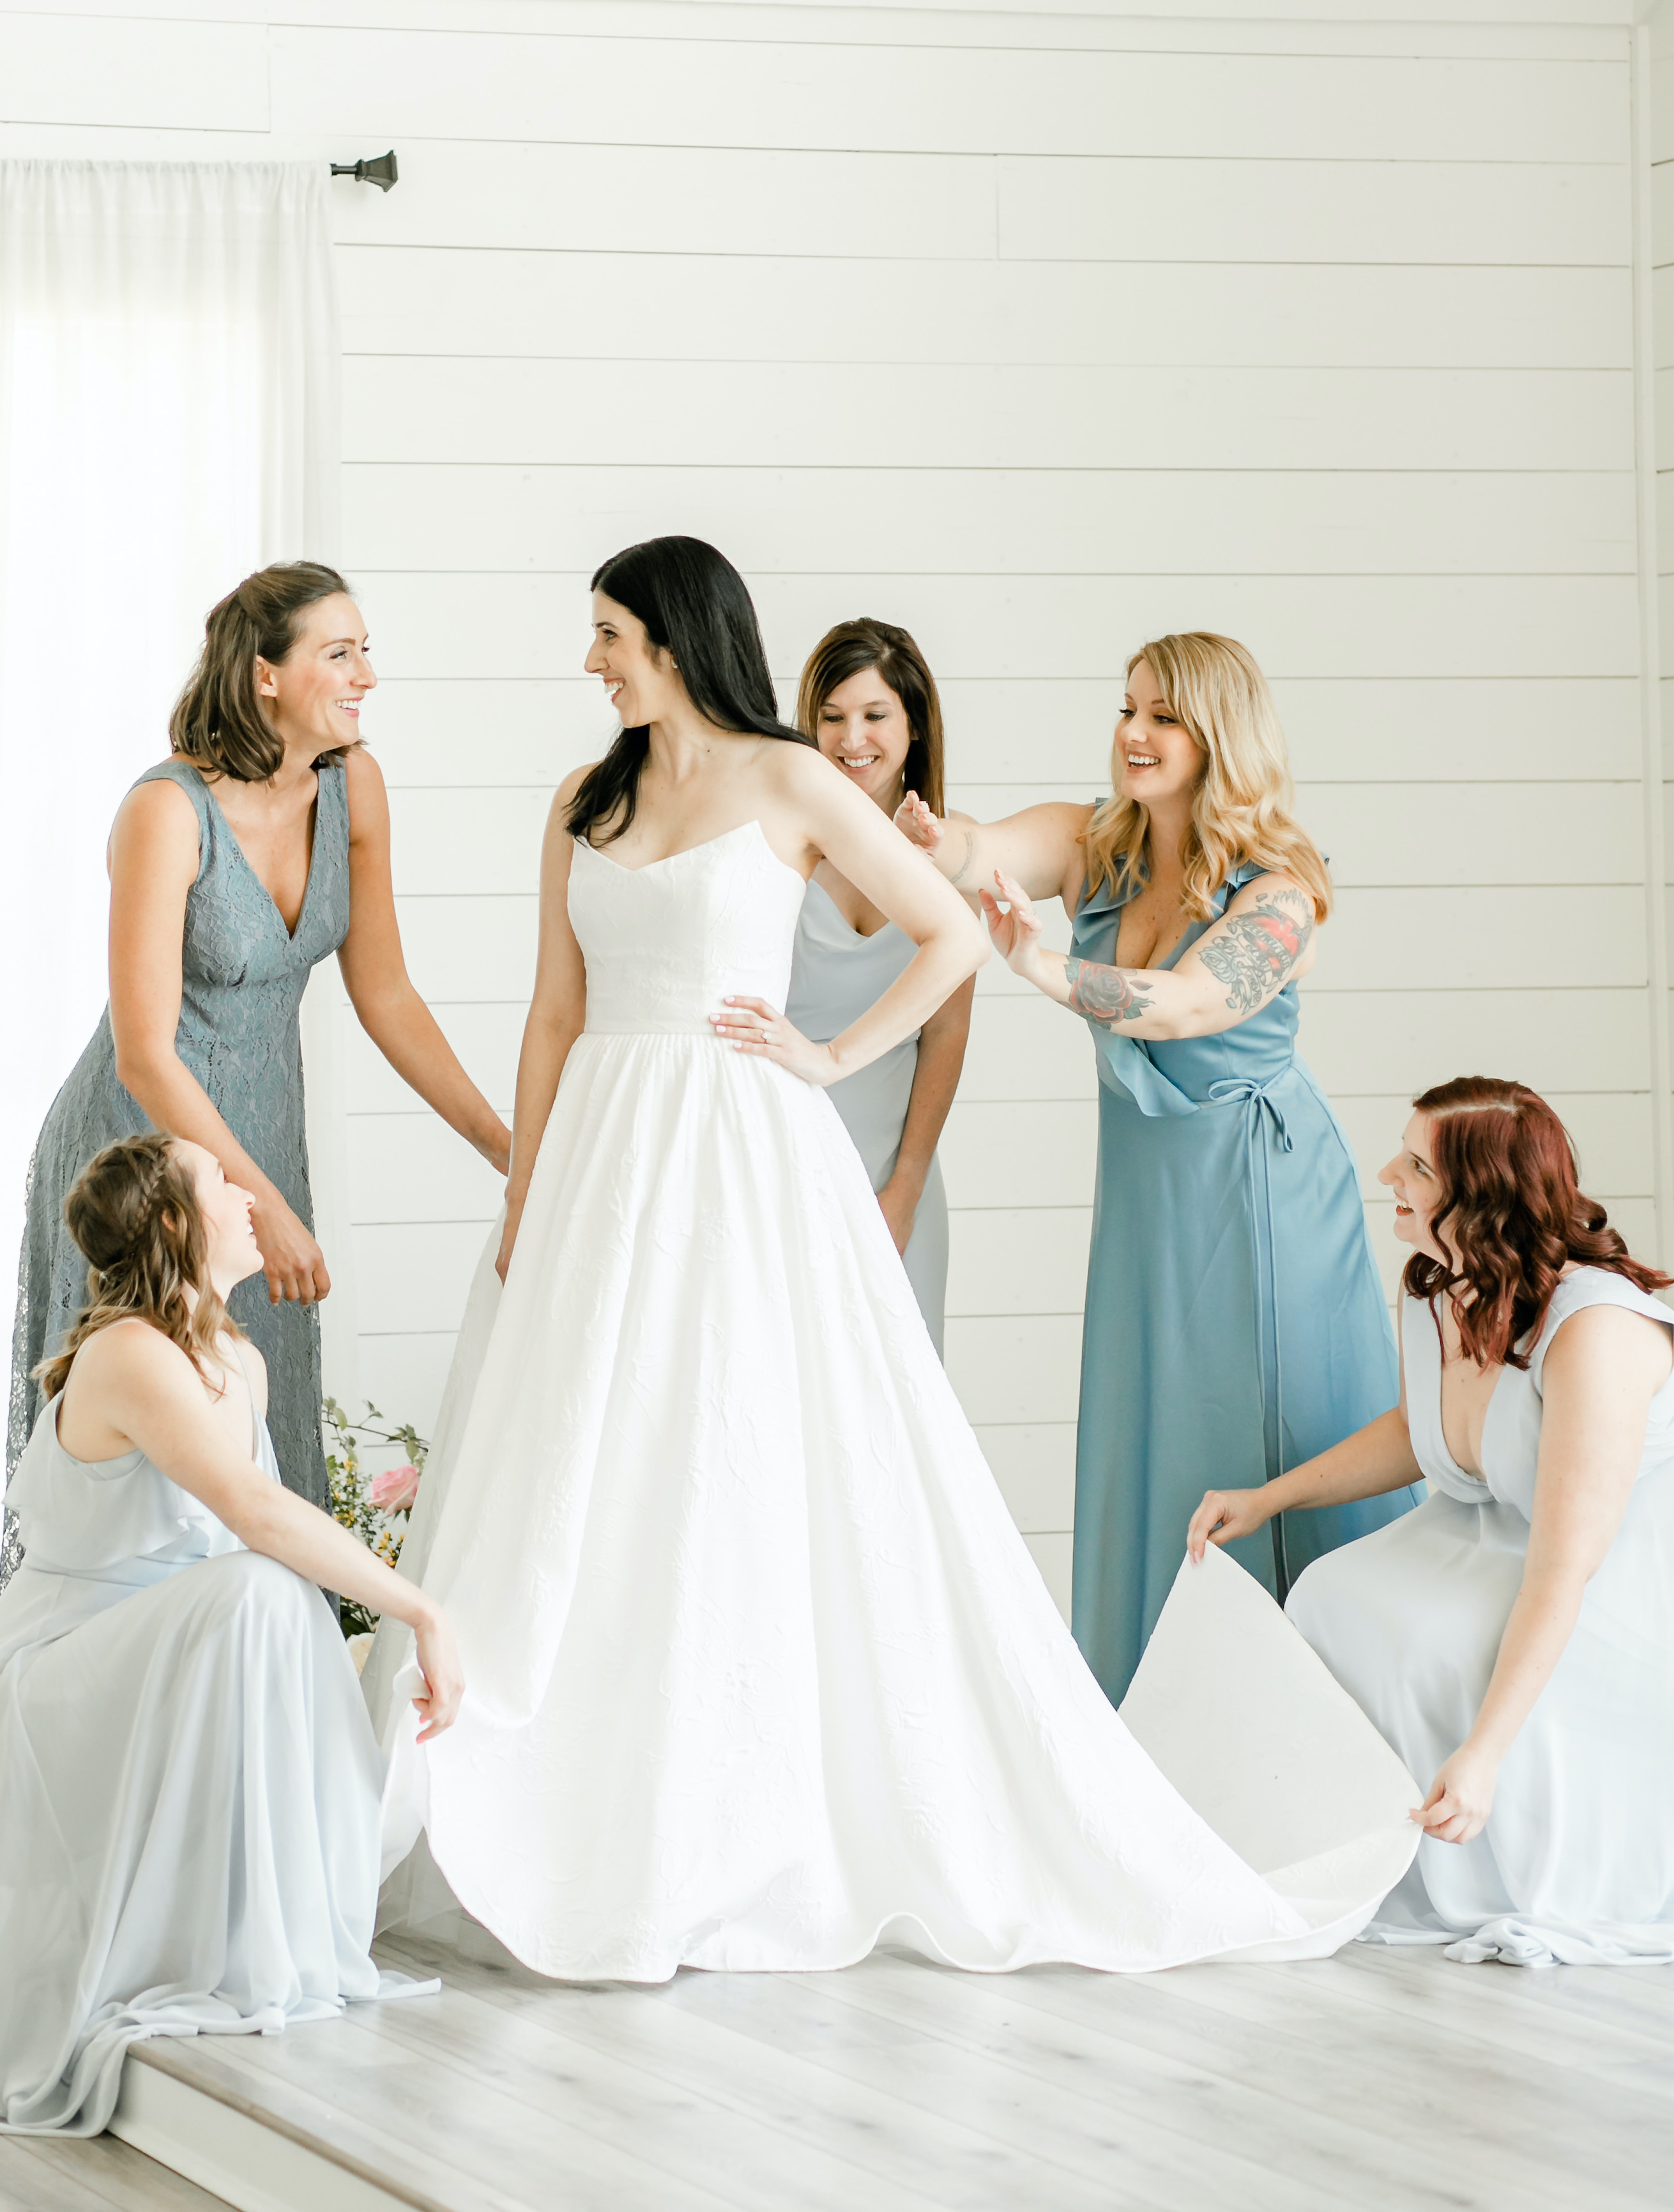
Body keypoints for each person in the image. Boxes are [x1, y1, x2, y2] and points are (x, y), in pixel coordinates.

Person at [370, 540, 1417, 1985]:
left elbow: (989, 954)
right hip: (610, 1147)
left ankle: (744, 1816)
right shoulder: (587, 797)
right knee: (579, 1457)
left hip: (854, 1154)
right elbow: (554, 1012)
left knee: (742, 1452)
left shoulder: (801, 786)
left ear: (672, 637)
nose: (593, 658)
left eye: (608, 631)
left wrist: (831, 1055)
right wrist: (525, 1185)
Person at [0, 1133, 462, 2133]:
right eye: (219, 1178)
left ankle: (260, 1931)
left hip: (154, 1651)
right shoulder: (131, 1352)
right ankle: (244, 1944)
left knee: (268, 1595)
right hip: (50, 1674)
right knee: (259, 1587)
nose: (245, 1187)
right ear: (175, 1221)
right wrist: (423, 1608)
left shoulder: (240, 1362)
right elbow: (255, 1515)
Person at [896, 633, 1411, 1703]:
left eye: (1162, 716)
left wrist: (1042, 965)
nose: (1133, 733)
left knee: (1262, 1427)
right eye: (1127, 707)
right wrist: (922, 826)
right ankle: (1164, 1731)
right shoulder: (1100, 844)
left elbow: (1190, 1004)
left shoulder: (1283, 887)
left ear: (1217, 734)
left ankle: (1310, 1729)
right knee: (1156, 1436)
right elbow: (980, 848)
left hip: (1261, 1191)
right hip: (1148, 1198)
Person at [6, 563, 510, 1584]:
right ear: (265, 675)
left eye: (366, 648)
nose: (367, 672)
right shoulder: (167, 808)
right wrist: (261, 1202)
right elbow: (147, 1050)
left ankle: (257, 1706)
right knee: (150, 1437)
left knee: (254, 1427)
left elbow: (390, 998)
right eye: (340, 652)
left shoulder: (353, 784)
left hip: (263, 1141)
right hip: (144, 1152)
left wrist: (511, 1150)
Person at [1189, 1079, 1674, 1966]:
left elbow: (1567, 1563)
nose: (1387, 1175)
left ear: (1484, 1195)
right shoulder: (1437, 1285)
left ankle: (1481, 1845)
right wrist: (1268, 1498)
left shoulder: (1598, 1329)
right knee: (1329, 1595)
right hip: (1481, 1526)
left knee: (1437, 1639)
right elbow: (1422, 1433)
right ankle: (1354, 1847)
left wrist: (1484, 1752)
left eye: (1416, 1165)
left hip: (1602, 1570)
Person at [783, 619, 973, 1354]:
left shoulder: (951, 852)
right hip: (781, 1159)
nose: (850, 737)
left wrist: (906, 1189)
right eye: (830, 718)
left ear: (915, 725)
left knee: (900, 1403)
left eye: (873, 715)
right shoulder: (783, 842)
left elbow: (947, 1032)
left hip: (895, 1176)